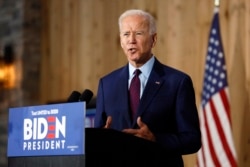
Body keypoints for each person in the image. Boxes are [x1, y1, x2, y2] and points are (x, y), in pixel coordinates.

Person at [94, 9, 201, 166]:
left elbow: (192, 139)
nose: (131, 40)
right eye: (126, 34)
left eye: (138, 33)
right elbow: (98, 136)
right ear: (121, 42)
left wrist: (155, 139)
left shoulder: (177, 82)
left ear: (153, 39)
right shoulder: (107, 84)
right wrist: (103, 138)